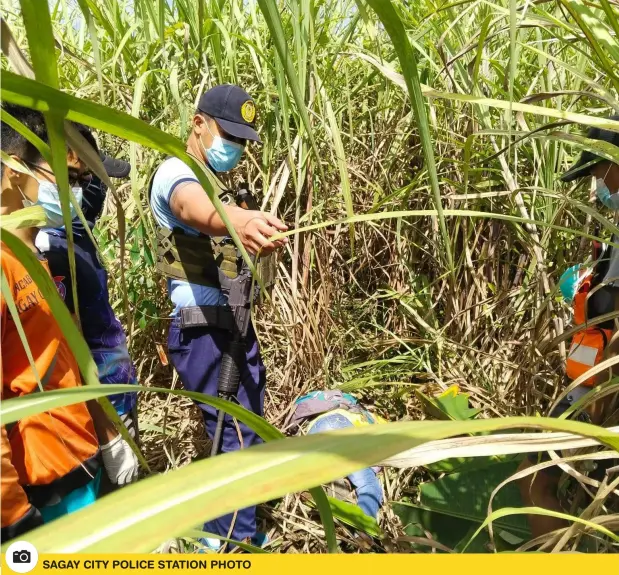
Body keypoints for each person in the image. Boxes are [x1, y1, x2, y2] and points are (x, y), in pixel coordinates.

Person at [149, 84, 288, 549]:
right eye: (229, 135)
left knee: (249, 425)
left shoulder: (223, 186)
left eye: (244, 141)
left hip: (234, 327)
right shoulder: (177, 172)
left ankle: (231, 527)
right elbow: (194, 207)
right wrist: (241, 221)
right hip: (202, 326)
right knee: (234, 436)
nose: (237, 149)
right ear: (198, 123)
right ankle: (232, 545)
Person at [0, 104, 138, 542]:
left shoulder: (36, 260)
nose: (73, 192)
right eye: (62, 176)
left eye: (77, 181)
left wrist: (108, 434)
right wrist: (12, 514)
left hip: (80, 460)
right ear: (14, 170)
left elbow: (73, 360)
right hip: (44, 485)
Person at [517, 116, 619, 539]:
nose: (596, 186)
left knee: (535, 477)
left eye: (598, 172)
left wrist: (599, 406)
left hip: (602, 398)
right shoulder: (613, 236)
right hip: (589, 391)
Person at [34, 126, 140, 466]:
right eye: (80, 179)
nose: (94, 191)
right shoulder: (50, 250)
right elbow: (72, 344)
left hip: (114, 397)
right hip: (97, 413)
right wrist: (108, 433)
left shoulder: (77, 241)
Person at [291, 390, 385, 521]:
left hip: (315, 428)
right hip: (342, 427)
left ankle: (312, 487)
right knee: (368, 485)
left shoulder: (343, 405)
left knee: (326, 465)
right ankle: (363, 530)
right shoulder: (379, 422)